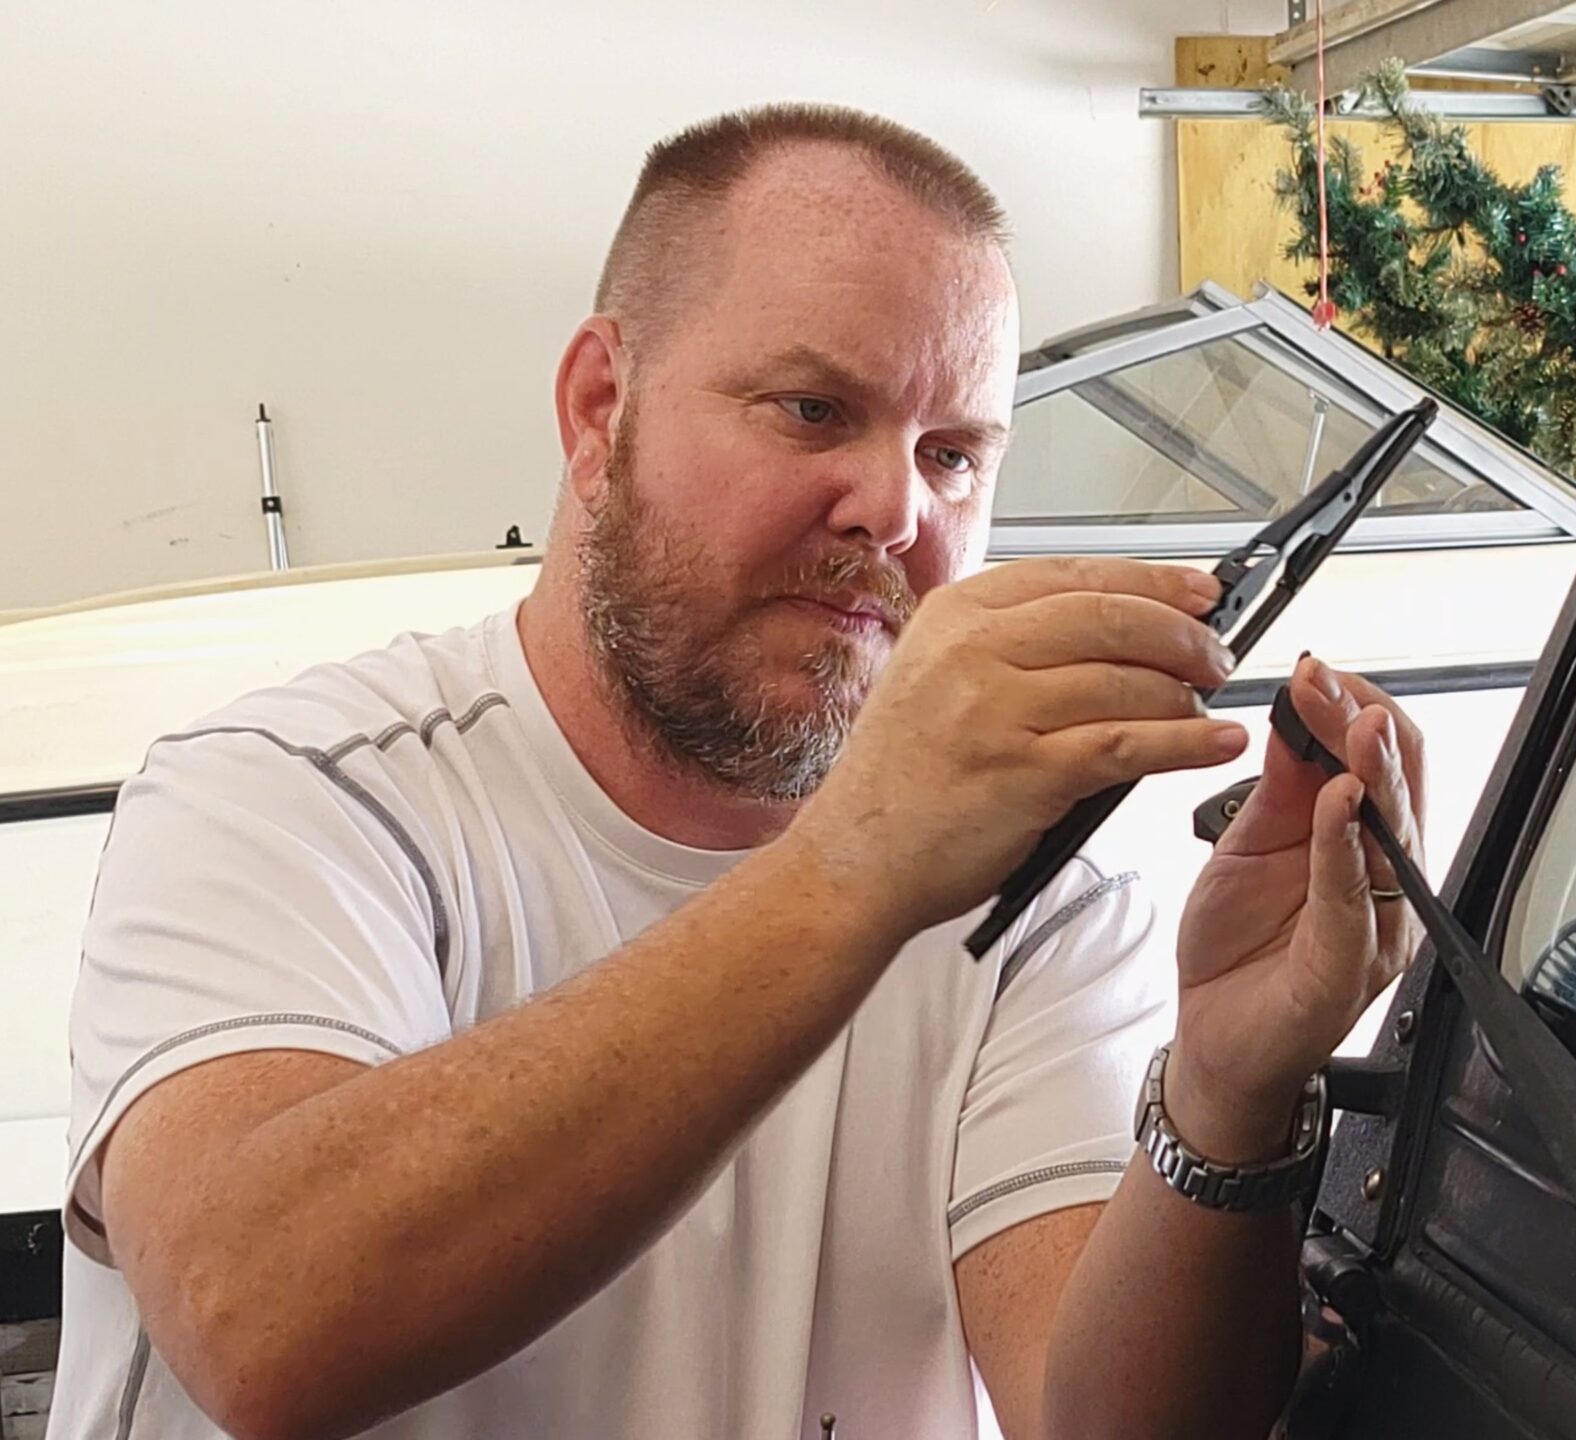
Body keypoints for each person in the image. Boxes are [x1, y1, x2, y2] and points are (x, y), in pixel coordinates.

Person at [48, 103, 1426, 1440]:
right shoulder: (296, 798)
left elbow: (1110, 1416)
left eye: (953, 455)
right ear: (600, 408)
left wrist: (1231, 1103)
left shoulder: (1032, 910)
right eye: (815, 410)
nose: (896, 511)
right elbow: (262, 1323)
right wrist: (860, 867)